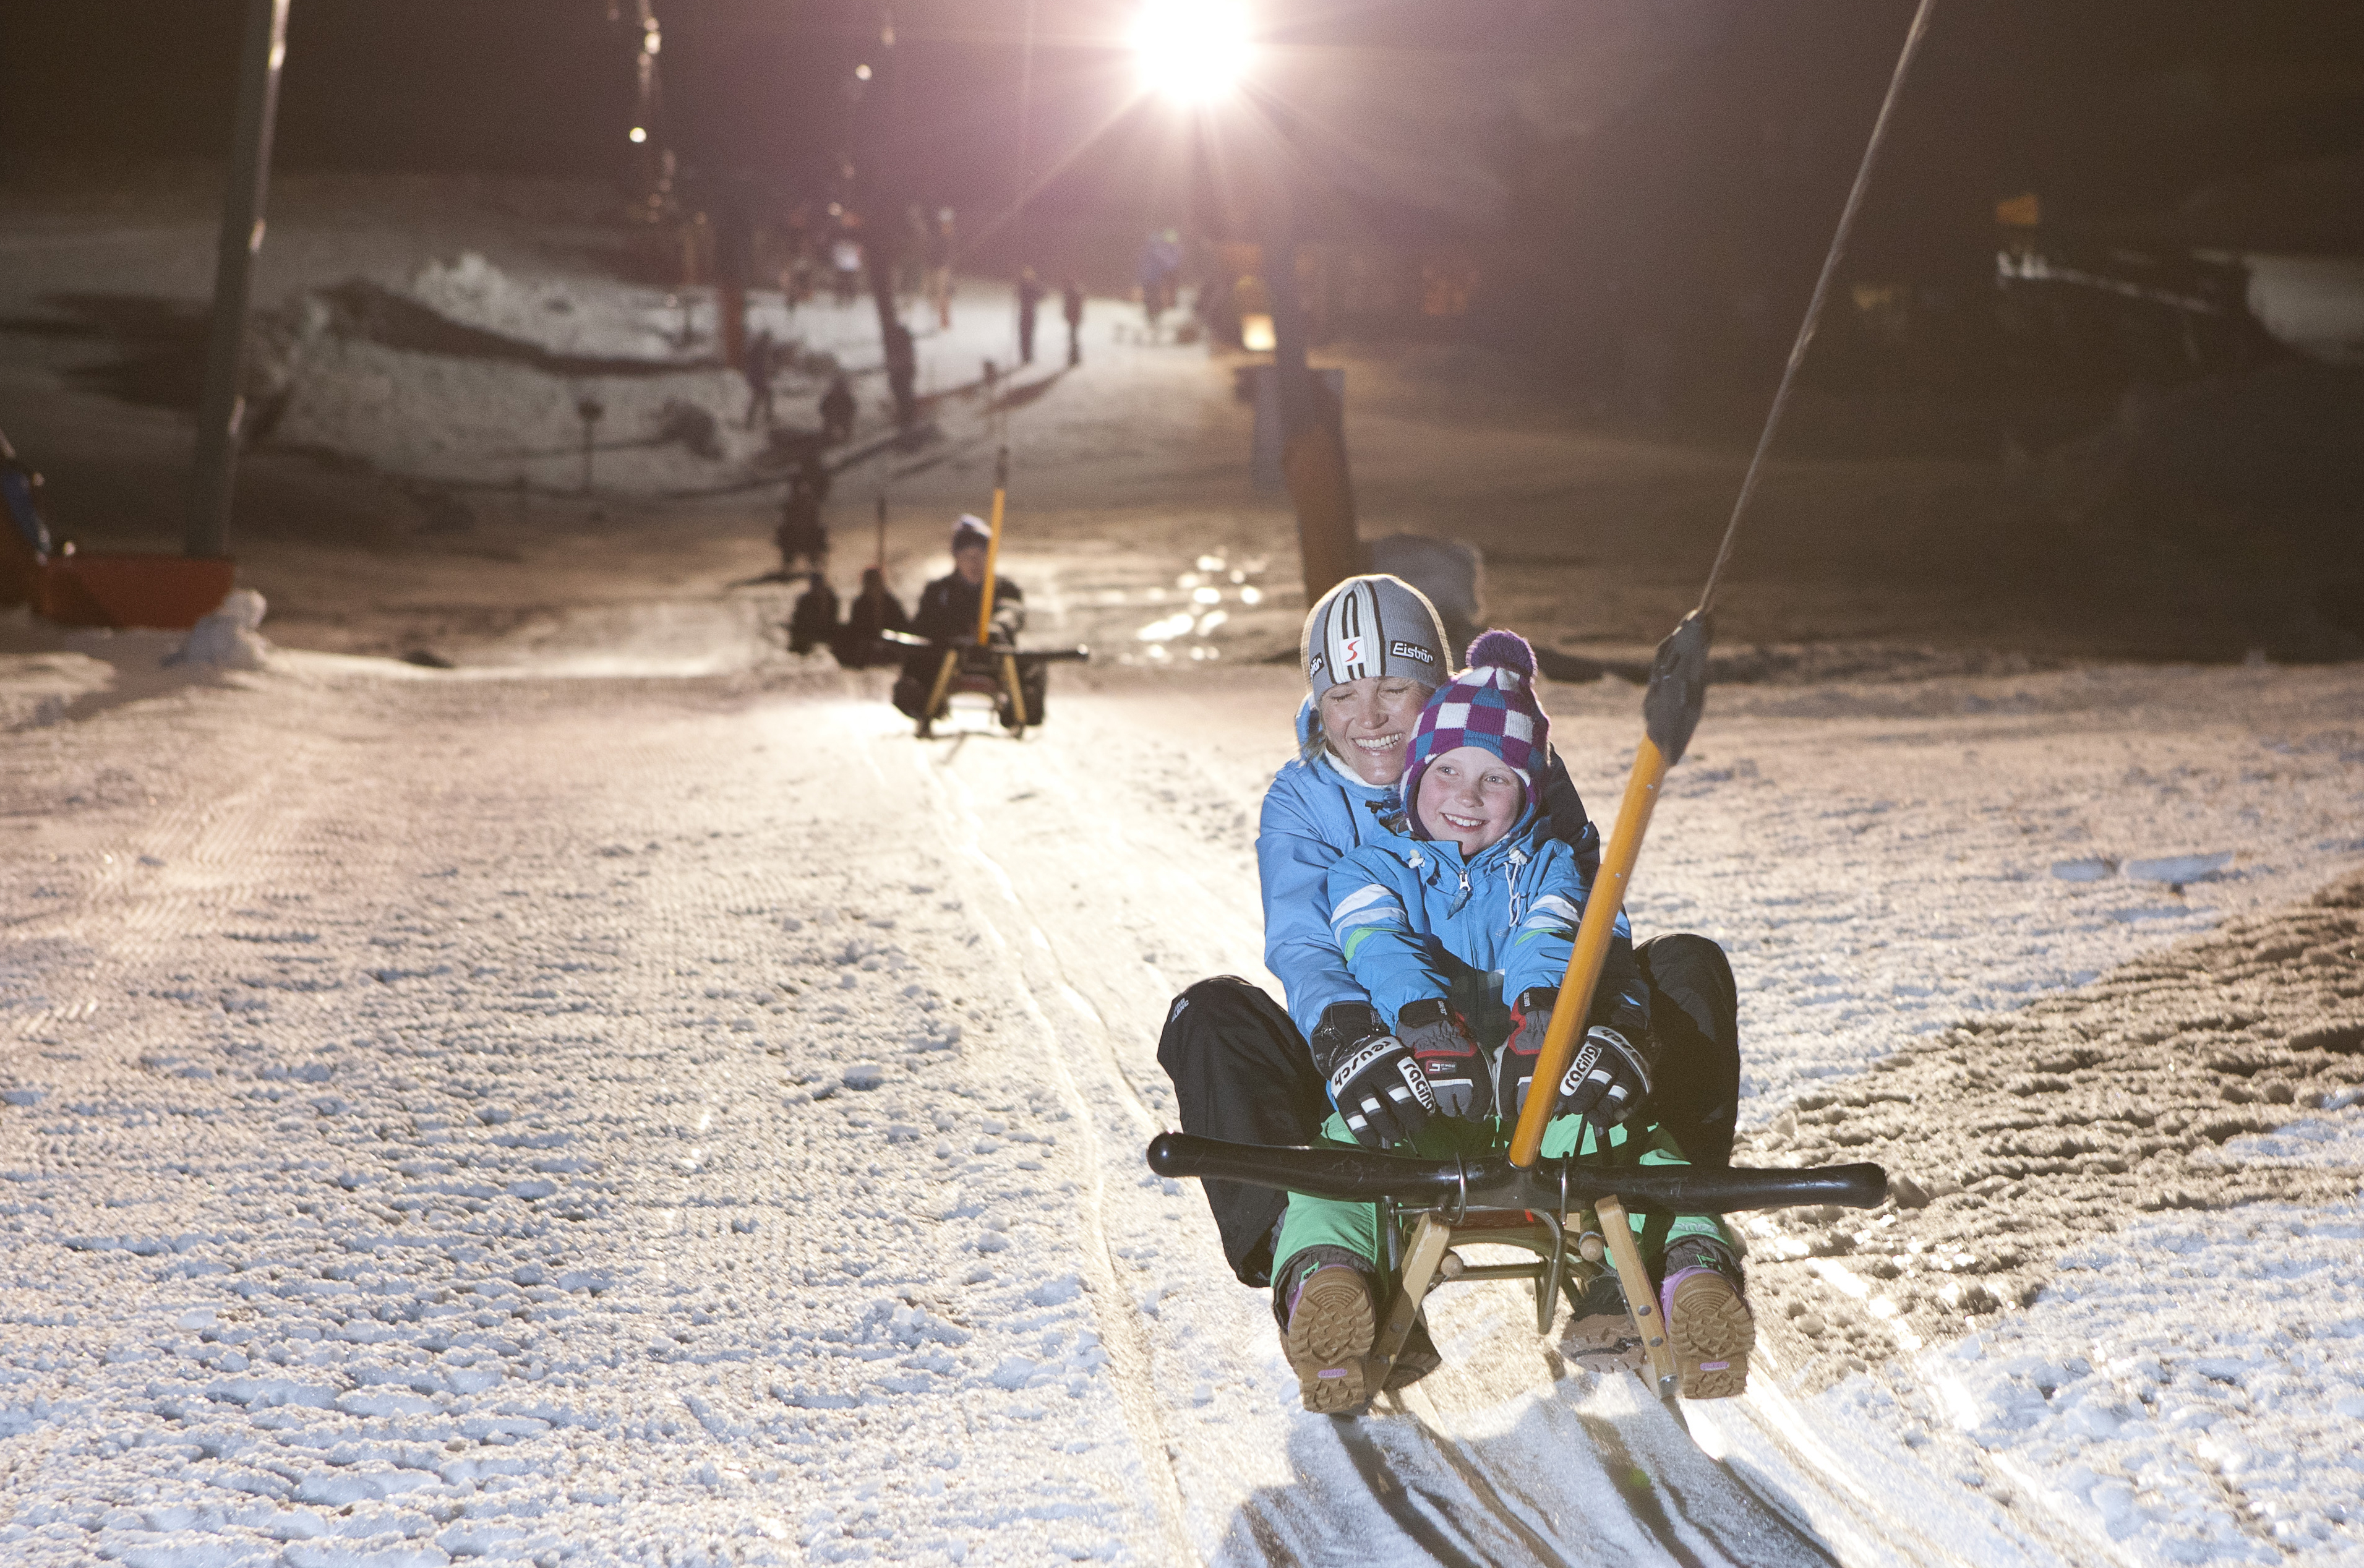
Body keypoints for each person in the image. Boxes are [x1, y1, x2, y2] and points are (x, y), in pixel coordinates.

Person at [1152, 576, 1742, 1302]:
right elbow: (1307, 945)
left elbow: (1587, 914)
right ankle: (1319, 1268)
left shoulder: (1517, 766)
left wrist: (1618, 1024)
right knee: (1209, 1015)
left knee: (1689, 966)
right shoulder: (1303, 798)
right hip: (1382, 1054)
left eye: (1393, 689)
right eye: (1342, 696)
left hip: (1531, 1042)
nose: (1368, 718)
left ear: (1435, 682)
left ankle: (1665, 1231)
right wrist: (1350, 1039)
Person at [1269, 630, 1753, 1414]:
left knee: (1642, 1151)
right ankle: (1329, 1290)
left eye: (1497, 779)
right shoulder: (1368, 868)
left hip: (1541, 1090)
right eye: (1449, 771)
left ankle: (1695, 1281)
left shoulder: (1550, 864)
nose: (1467, 794)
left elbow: (1551, 939)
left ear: (1529, 795)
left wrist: (1544, 1024)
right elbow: (1376, 946)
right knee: (1339, 1162)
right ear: (1416, 776)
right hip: (1426, 1097)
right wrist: (1425, 1025)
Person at [890, 513, 1044, 728]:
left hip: (994, 655)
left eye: (981, 555)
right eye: (968, 556)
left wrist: (996, 627)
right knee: (917, 659)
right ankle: (924, 703)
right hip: (945, 655)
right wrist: (955, 630)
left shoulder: (1005, 589)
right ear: (957, 558)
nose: (975, 563)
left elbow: (1012, 611)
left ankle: (1020, 709)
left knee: (1033, 663)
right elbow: (924, 624)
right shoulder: (939, 591)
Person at [831, 565, 910, 669]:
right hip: (866, 638)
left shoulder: (889, 602)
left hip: (887, 639)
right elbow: (856, 625)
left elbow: (901, 623)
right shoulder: (860, 603)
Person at [776, 463, 829, 574]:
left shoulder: (808, 502)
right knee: (789, 541)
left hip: (809, 534)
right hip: (795, 534)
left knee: (813, 544)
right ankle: (788, 568)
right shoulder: (794, 503)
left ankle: (815, 567)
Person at [787, 568, 840, 655]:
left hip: (825, 630)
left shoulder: (831, 599)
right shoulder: (805, 600)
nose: (816, 587)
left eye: (818, 584)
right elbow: (799, 619)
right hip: (809, 630)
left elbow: (833, 618)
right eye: (815, 584)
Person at [742, 328, 777, 430]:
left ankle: (765, 417)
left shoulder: (760, 348)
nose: (770, 341)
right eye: (769, 338)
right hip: (757, 378)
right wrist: (765, 374)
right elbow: (760, 365)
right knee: (758, 398)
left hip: (757, 378)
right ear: (766, 338)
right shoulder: (760, 349)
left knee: (766, 396)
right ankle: (750, 422)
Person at [1016, 268, 1045, 366]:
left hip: (1030, 314)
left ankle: (1028, 356)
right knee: (1024, 335)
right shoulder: (1023, 286)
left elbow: (1043, 295)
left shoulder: (1033, 287)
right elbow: (1018, 296)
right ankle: (1025, 356)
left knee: (1029, 335)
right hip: (1024, 313)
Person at [820, 372, 857, 446]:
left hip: (839, 418)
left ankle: (841, 441)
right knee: (832, 429)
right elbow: (823, 408)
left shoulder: (833, 396)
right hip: (836, 418)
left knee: (843, 428)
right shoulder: (833, 396)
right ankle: (840, 441)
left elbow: (822, 408)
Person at [1061, 278, 1086, 366]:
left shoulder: (1073, 295)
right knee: (1073, 337)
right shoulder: (1075, 294)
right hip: (1074, 319)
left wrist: (1069, 316)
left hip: (1074, 319)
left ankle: (1074, 358)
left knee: (1073, 338)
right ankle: (1074, 357)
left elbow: (1071, 308)